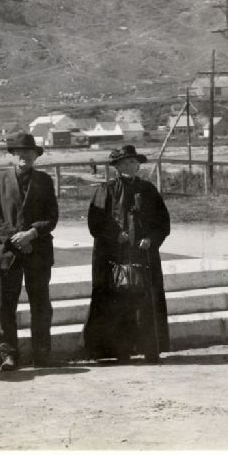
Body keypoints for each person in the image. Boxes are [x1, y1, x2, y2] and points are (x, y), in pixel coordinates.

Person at [82, 144, 171, 363]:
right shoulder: (106, 189)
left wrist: (151, 239)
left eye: (133, 162)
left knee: (146, 301)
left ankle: (149, 348)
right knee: (117, 301)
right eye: (125, 163)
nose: (130, 166)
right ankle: (118, 351)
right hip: (114, 256)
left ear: (138, 165)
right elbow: (96, 222)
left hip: (143, 254)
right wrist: (114, 235)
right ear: (117, 167)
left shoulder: (148, 189)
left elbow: (162, 221)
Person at [0, 131, 59, 370]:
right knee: (5, 306)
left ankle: (41, 353)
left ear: (36, 156)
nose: (24, 156)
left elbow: (52, 216)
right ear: (13, 155)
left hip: (38, 251)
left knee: (41, 304)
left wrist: (32, 233)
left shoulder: (44, 181)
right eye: (19, 152)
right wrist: (14, 237)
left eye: (29, 152)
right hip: (7, 253)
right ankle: (8, 354)